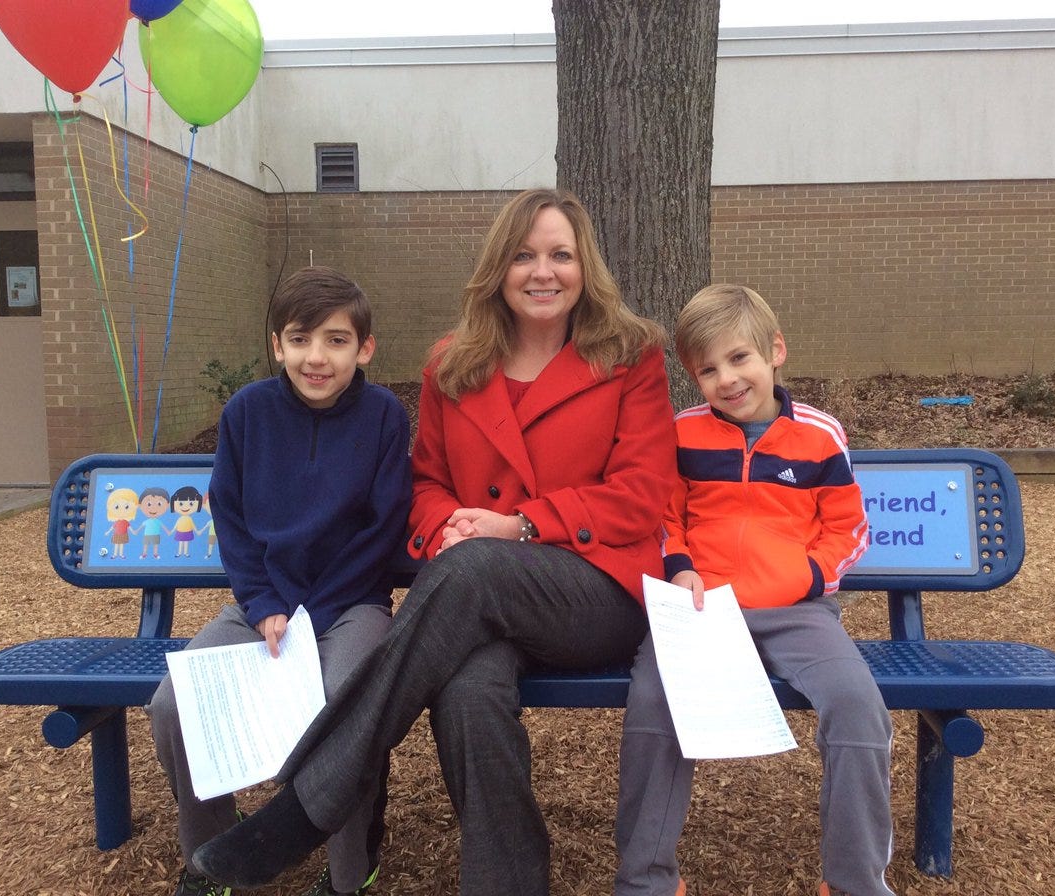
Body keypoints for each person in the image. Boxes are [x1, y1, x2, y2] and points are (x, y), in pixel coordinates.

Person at [191, 188, 678, 895]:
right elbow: (423, 487)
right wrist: (446, 527)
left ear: (585, 267)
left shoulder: (630, 355)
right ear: (498, 269)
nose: (543, 272)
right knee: (468, 691)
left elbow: (641, 496)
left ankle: (307, 803)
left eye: (560, 255)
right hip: (477, 599)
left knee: (476, 568)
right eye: (524, 256)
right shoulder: (455, 363)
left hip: (593, 590)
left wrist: (520, 526)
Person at [613, 284, 893, 896]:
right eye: (707, 369)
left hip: (799, 612)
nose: (727, 379)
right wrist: (680, 567)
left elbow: (848, 529)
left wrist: (809, 577)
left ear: (775, 352)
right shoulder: (681, 432)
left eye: (739, 358)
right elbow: (665, 515)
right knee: (654, 708)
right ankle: (646, 881)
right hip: (699, 609)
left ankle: (853, 881)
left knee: (857, 708)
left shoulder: (820, 436)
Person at [147, 266, 412, 896]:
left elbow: (382, 527)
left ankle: (350, 869)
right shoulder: (247, 413)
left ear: (365, 347)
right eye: (299, 339)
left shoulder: (383, 417)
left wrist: (308, 619)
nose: (315, 357)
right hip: (261, 603)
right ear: (276, 345)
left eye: (336, 340)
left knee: (347, 699)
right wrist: (266, 603)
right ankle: (210, 853)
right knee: (173, 705)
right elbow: (231, 517)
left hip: (352, 605)